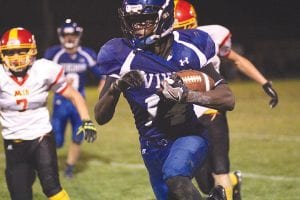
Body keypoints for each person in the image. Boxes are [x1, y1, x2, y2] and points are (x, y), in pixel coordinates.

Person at [94, 0, 235, 199]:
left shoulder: (190, 47)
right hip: (151, 145)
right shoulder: (122, 55)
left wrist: (188, 95)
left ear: (165, 17)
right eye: (133, 21)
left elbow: (228, 99)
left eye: (144, 20)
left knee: (175, 176)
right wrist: (116, 88)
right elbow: (101, 116)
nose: (137, 27)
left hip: (189, 134)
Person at [173, 0, 279, 199]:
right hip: (186, 115)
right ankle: (235, 180)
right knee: (205, 184)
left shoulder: (211, 36)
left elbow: (237, 59)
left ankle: (228, 181)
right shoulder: (167, 47)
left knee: (220, 170)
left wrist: (265, 83)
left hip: (212, 108)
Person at [0, 27, 97, 200]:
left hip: (41, 138)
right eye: (11, 52)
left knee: (52, 188)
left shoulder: (43, 70)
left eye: (21, 51)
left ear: (32, 50)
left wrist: (86, 119)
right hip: (13, 142)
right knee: (20, 195)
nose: (16, 57)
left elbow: (74, 95)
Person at [44, 19, 104, 178]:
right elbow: (41, 76)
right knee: (56, 141)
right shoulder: (53, 54)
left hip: (79, 104)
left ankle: (69, 168)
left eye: (73, 35)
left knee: (78, 137)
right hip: (60, 103)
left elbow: (101, 73)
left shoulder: (87, 54)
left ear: (79, 35)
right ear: (61, 36)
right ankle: (47, 164)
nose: (69, 38)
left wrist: (103, 81)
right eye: (66, 35)